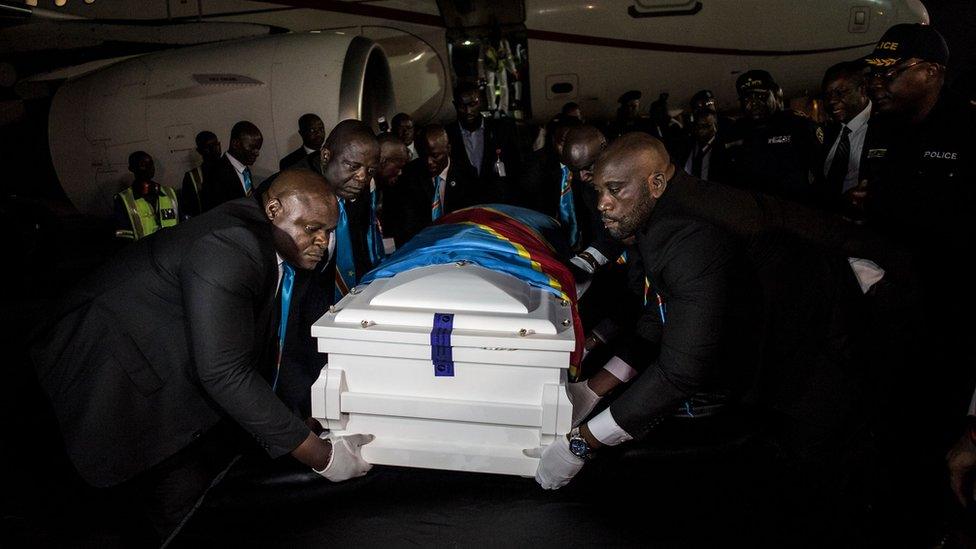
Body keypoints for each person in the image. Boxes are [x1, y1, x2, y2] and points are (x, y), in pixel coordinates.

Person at [31, 169, 374, 542]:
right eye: (312, 229)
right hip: (104, 370)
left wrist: (294, 421)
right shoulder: (231, 245)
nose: (322, 242)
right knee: (140, 506)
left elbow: (254, 347)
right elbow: (225, 371)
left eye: (327, 231)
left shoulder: (267, 242)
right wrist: (322, 457)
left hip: (160, 364)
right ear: (274, 208)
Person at [531, 133, 756, 490]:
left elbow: (681, 372)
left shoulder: (687, 241)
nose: (602, 204)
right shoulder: (650, 226)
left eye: (614, 190)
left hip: (780, 385)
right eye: (595, 189)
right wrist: (593, 387)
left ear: (655, 184)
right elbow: (654, 316)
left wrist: (581, 443)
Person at [859, 23, 976, 535]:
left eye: (891, 72)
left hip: (951, 324)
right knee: (889, 436)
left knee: (939, 447)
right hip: (889, 314)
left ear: (932, 73)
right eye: (874, 72)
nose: (877, 83)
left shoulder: (968, 132)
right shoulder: (884, 130)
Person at [725, 69, 822, 204]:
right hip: (752, 211)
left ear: (776, 94)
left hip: (793, 209)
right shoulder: (734, 132)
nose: (753, 103)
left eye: (760, 96)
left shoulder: (798, 125)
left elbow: (822, 171)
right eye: (747, 98)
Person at [388, 124, 481, 247]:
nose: (429, 162)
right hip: (421, 246)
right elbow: (406, 223)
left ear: (448, 149)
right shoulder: (409, 175)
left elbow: (472, 220)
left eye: (435, 155)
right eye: (424, 155)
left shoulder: (467, 175)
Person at [816, 61, 875, 216]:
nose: (831, 101)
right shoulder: (828, 131)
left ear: (862, 90)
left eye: (840, 93)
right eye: (827, 95)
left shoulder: (886, 127)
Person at [446, 81, 521, 201]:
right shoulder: (448, 135)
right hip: (463, 205)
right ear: (455, 105)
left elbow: (516, 167)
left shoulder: (501, 130)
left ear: (482, 101)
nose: (468, 111)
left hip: (497, 204)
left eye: (472, 104)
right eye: (462, 106)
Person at [114, 151, 179, 241]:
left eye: (151, 164)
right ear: (132, 168)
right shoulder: (123, 199)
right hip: (143, 251)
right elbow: (123, 237)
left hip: (172, 247)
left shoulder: (169, 193)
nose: (149, 168)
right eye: (143, 164)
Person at [200, 120, 263, 212]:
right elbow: (216, 211)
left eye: (258, 148)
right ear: (235, 144)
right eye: (252, 147)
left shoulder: (244, 170)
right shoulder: (215, 173)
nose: (257, 153)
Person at [678, 90, 733, 183]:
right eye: (699, 125)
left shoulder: (725, 148)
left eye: (706, 125)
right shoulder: (687, 145)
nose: (702, 129)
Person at [374, 132, 411, 250]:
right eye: (398, 167)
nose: (400, 173)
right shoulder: (358, 194)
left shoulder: (393, 188)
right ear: (383, 162)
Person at [180, 130, 221, 220]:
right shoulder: (193, 177)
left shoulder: (230, 168)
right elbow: (188, 210)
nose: (214, 149)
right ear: (199, 151)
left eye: (216, 145)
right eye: (208, 147)